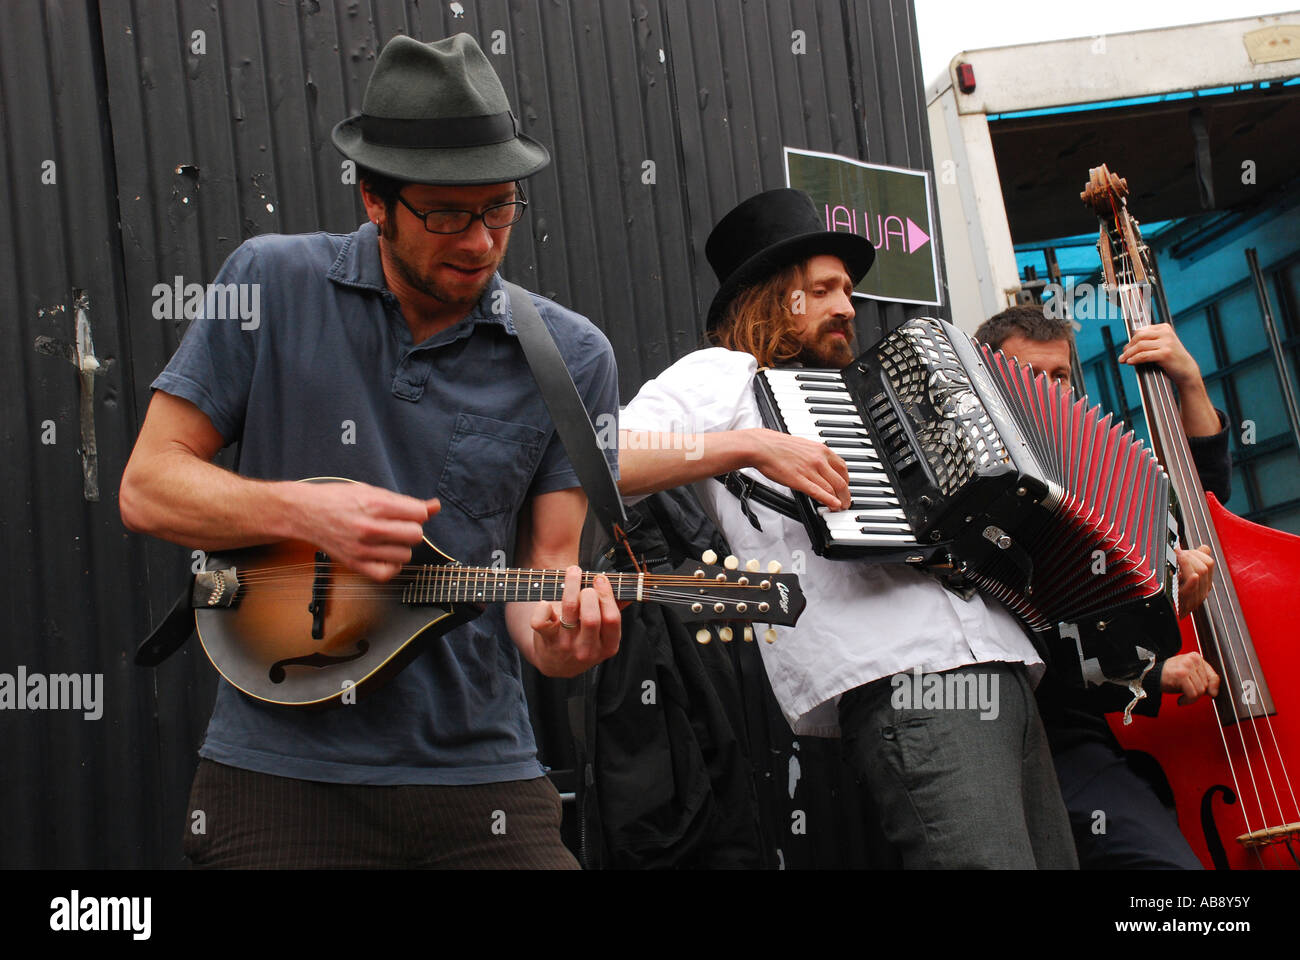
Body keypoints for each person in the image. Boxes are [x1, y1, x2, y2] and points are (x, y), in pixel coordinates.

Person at [118, 33, 622, 869]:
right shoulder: (270, 284)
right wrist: (301, 510)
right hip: (278, 768)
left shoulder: (572, 358)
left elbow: (548, 575)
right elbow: (147, 487)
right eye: (448, 213)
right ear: (375, 200)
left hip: (480, 771)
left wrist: (561, 642)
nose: (480, 242)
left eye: (500, 208)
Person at [616, 188, 1078, 869]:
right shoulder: (720, 377)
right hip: (907, 677)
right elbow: (606, 459)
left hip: (1001, 667)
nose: (847, 307)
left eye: (850, 292)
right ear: (772, 297)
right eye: (824, 290)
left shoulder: (867, 392)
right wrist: (748, 446)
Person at [973, 304, 1226, 869]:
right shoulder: (972, 478)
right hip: (1030, 722)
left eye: (1058, 377)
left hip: (1097, 730)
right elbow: (1018, 631)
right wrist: (1151, 671)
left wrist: (1190, 381)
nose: (1048, 391)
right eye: (1027, 378)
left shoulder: (1093, 462)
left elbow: (1202, 509)